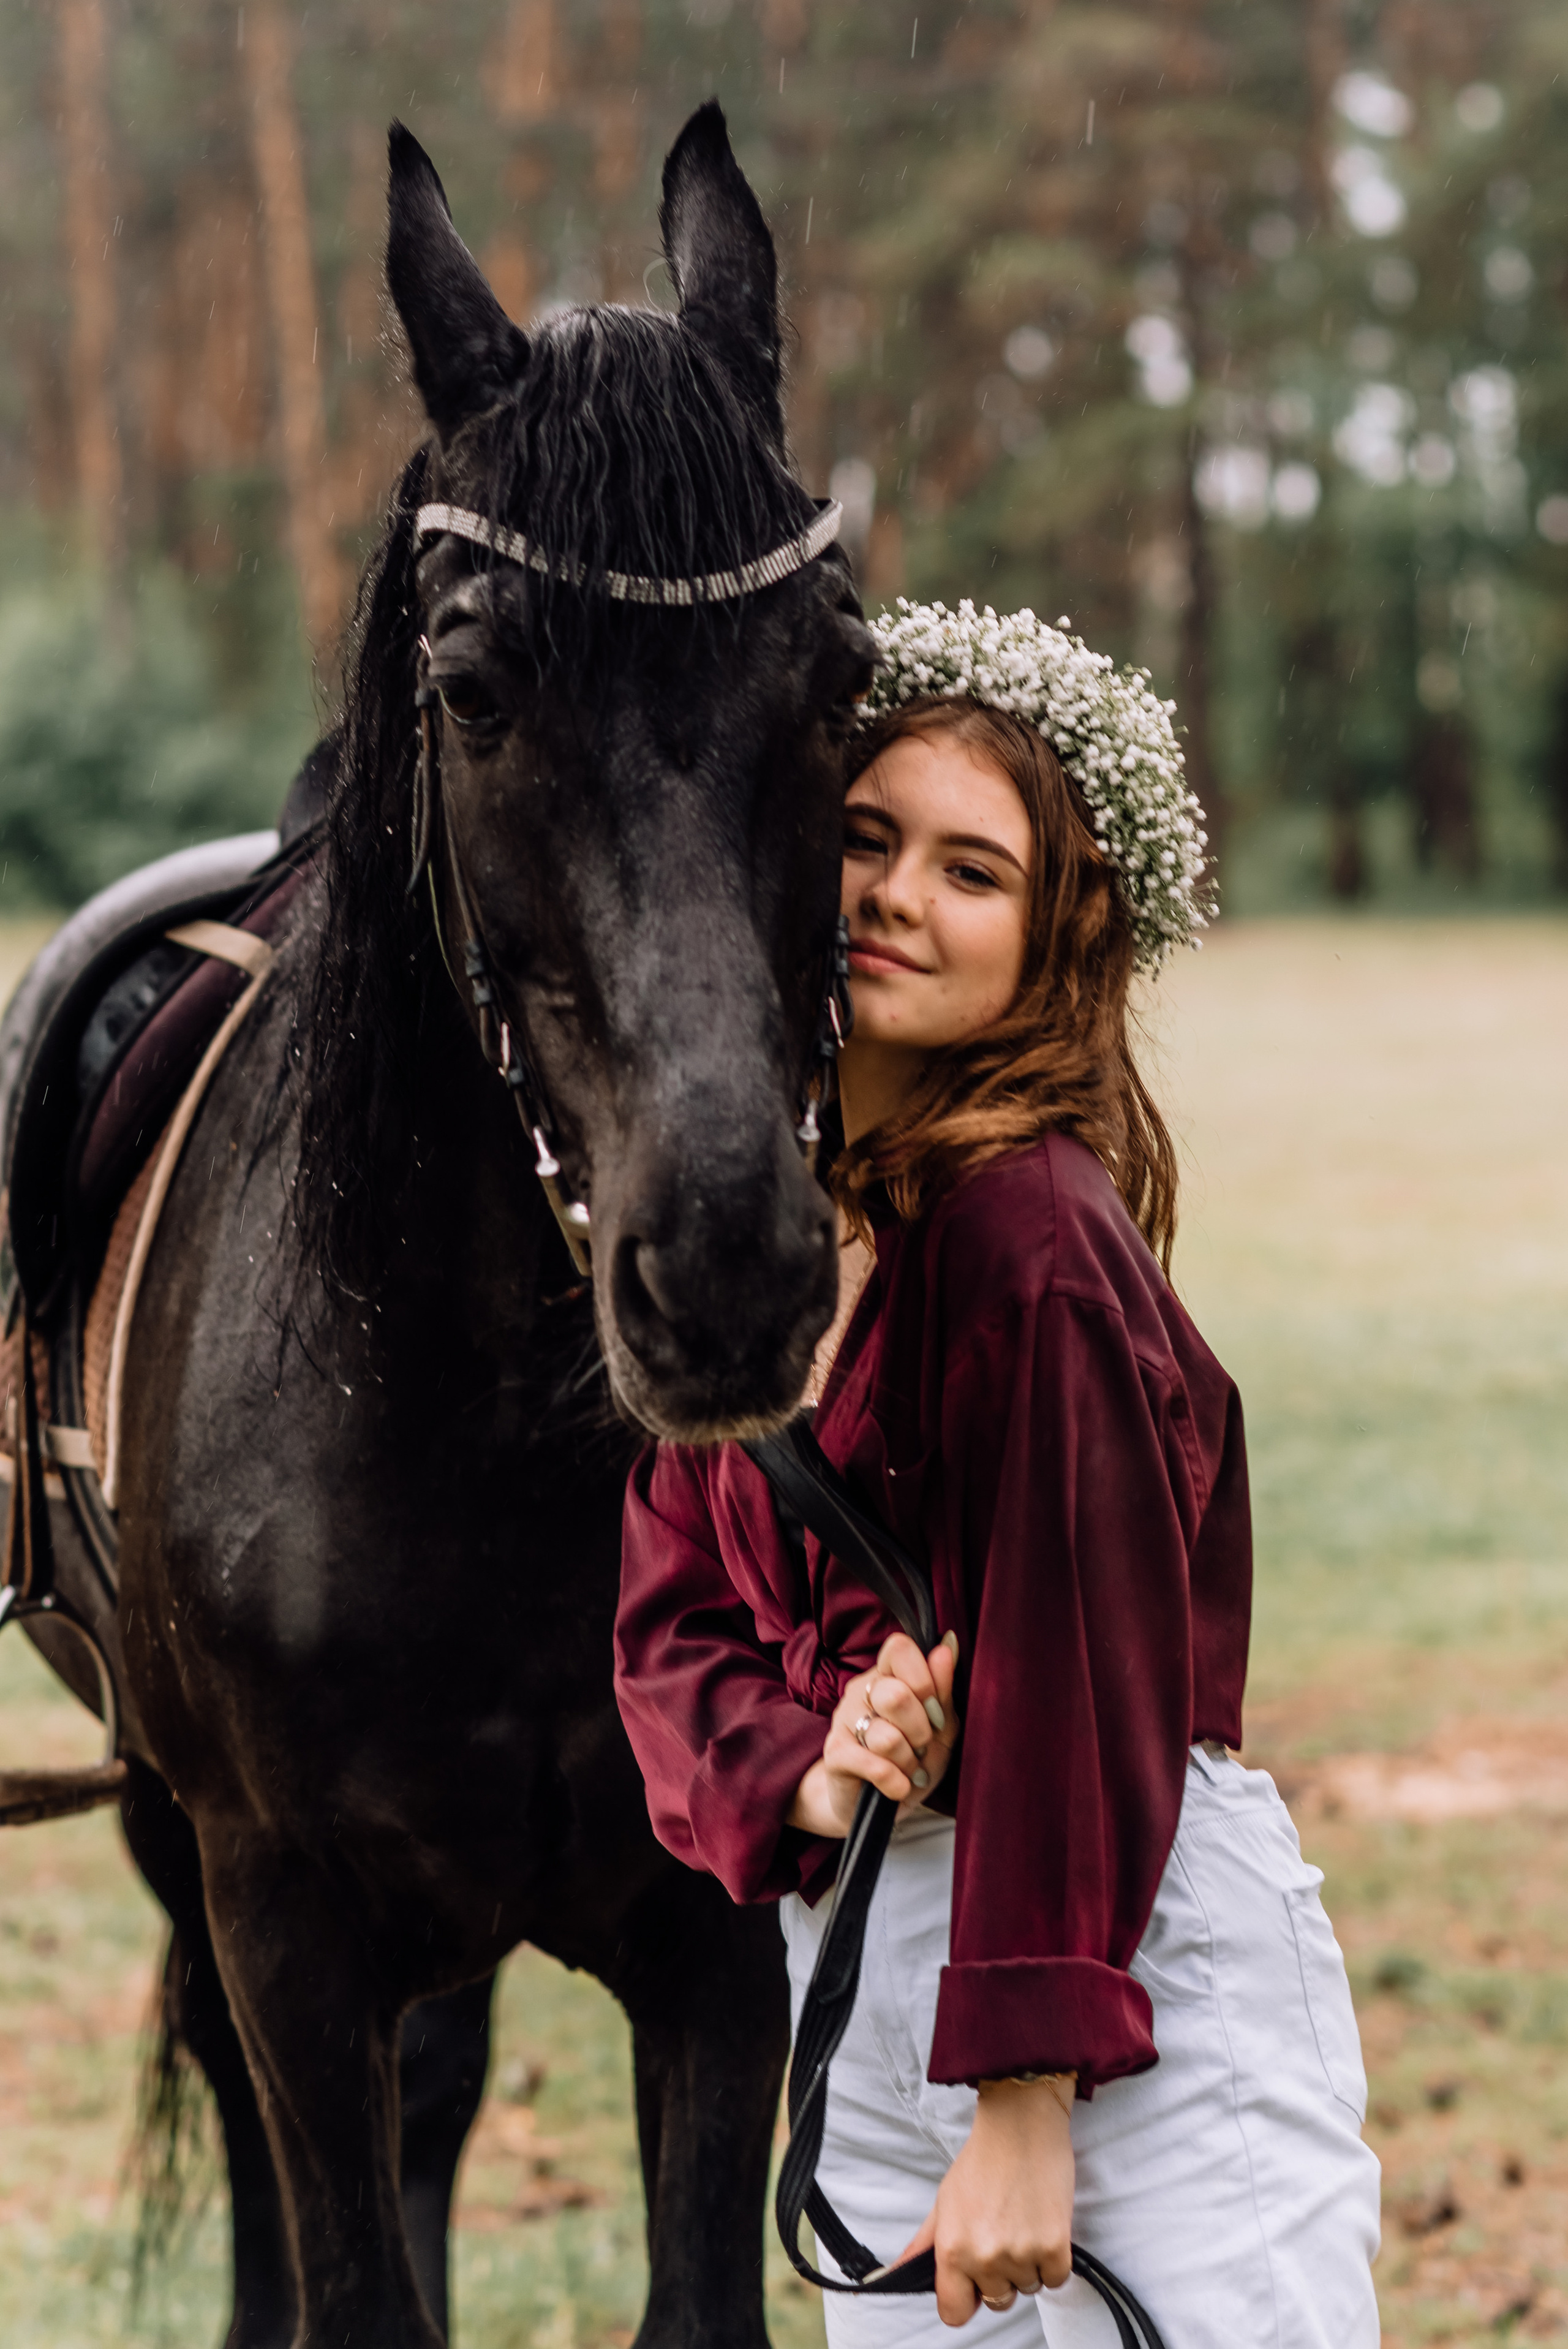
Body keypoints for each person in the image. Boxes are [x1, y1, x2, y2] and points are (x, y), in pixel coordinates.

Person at [614, 600, 1381, 2347]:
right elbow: (666, 1624)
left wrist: (1029, 2085)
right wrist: (816, 1765)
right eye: (867, 839)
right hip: (864, 1952)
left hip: (1117, 1960)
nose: (892, 893)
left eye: (971, 871)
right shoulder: (752, 1238)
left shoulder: (1032, 1235)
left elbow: (1080, 1665)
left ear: (1053, 942)